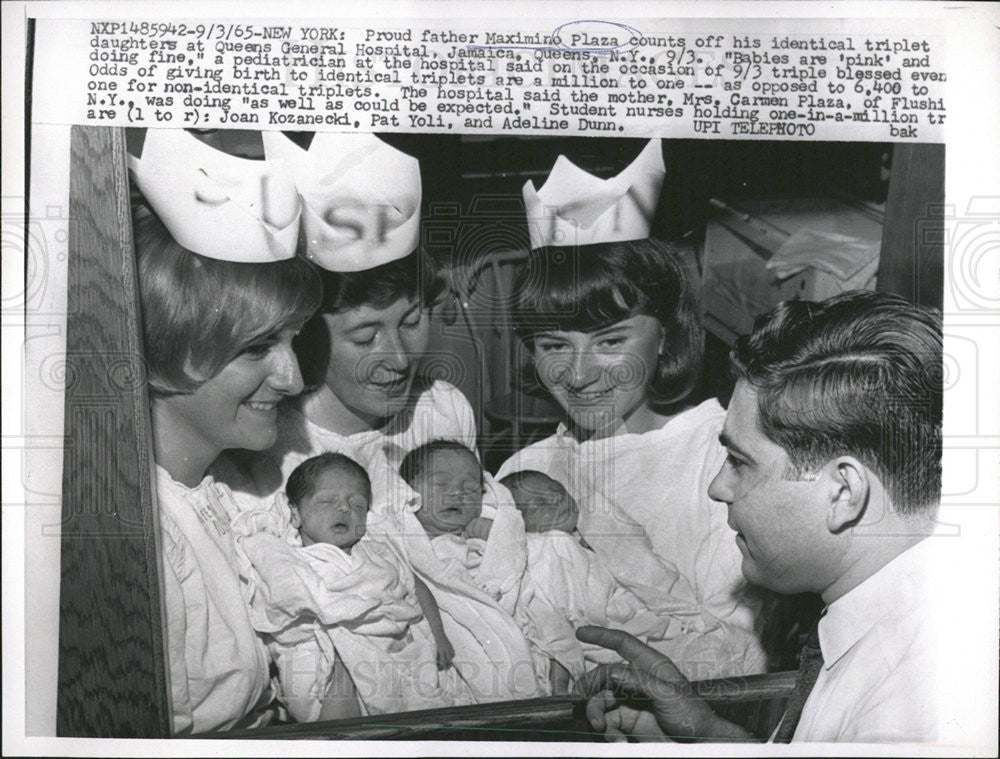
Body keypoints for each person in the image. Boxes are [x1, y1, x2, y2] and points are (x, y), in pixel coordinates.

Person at [578, 290, 945, 743]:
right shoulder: (897, 609)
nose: (718, 487)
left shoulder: (905, 712)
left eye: (739, 461)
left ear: (843, 492)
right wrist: (705, 736)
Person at [496, 237, 767, 681]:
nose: (580, 376)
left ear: (665, 335)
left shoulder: (718, 457)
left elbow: (739, 653)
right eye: (554, 346)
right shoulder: (526, 470)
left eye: (610, 341)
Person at [128, 128, 322, 733]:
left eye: (292, 341)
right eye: (258, 348)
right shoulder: (145, 538)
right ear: (169, 348)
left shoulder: (236, 485)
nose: (292, 378)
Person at [230, 452, 471, 721]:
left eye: (357, 505)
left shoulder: (376, 551)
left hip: (387, 648)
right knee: (326, 708)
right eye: (326, 501)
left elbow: (416, 586)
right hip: (319, 655)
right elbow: (280, 601)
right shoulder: (289, 556)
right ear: (295, 514)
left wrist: (438, 634)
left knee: (417, 696)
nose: (344, 509)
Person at [499, 470, 704, 695]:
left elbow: (640, 558)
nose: (556, 499)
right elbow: (561, 608)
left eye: (557, 490)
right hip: (595, 628)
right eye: (540, 504)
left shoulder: (595, 524)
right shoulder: (545, 548)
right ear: (518, 523)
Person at [396, 440, 544, 698]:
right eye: (441, 484)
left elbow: (514, 574)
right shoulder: (405, 544)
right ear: (408, 493)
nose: (457, 493)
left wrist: (497, 537)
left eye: (470, 488)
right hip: (448, 644)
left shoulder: (484, 540)